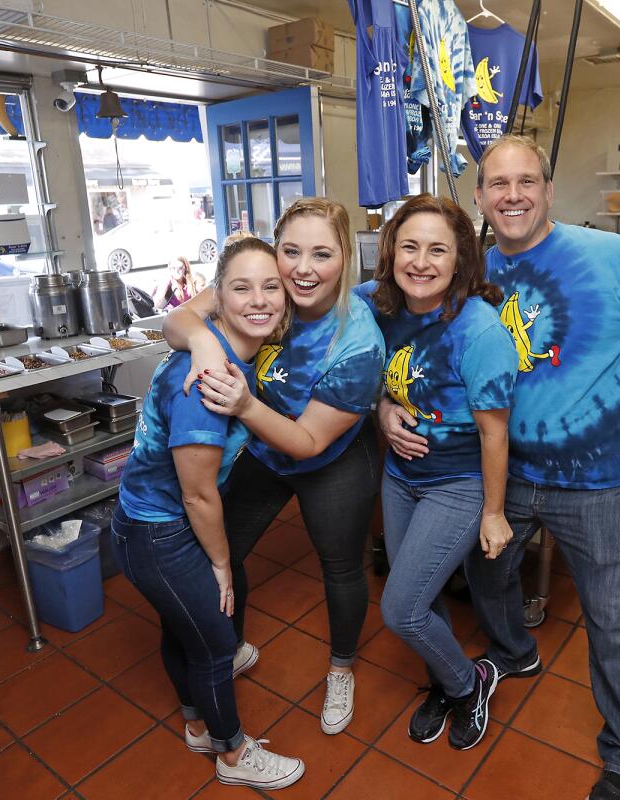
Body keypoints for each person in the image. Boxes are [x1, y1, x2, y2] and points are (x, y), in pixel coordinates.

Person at [380, 135, 620, 800]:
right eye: (497, 183)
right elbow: (416, 354)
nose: (512, 195)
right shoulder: (466, 273)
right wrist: (384, 408)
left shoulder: (613, 257)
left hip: (599, 482)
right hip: (499, 474)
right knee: (486, 577)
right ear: (479, 196)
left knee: (615, 619)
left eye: (526, 181)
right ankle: (512, 652)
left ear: (547, 188)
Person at [162, 198, 385, 736]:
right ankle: (230, 645)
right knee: (224, 551)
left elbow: (308, 441)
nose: (303, 269)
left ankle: (341, 667)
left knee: (342, 567)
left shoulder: (358, 343)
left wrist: (244, 406)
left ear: (345, 260)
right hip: (263, 455)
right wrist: (200, 342)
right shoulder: (263, 287)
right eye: (291, 251)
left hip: (330, 459)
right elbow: (178, 317)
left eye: (322, 254)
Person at [111, 236, 304, 790]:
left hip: (150, 523)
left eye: (272, 287)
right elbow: (198, 495)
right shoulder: (207, 381)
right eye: (242, 288)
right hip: (159, 531)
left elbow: (180, 322)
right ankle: (233, 755)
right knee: (219, 642)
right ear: (217, 297)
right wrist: (222, 563)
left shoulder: (220, 343)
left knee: (187, 627)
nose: (260, 300)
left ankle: (197, 724)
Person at [353, 194, 515, 750]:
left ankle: (472, 684)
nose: (421, 262)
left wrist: (493, 513)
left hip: (458, 484)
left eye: (438, 250)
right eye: (410, 246)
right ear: (390, 251)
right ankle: (447, 681)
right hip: (400, 479)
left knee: (399, 608)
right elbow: (309, 292)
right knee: (423, 597)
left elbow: (495, 431)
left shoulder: (479, 330)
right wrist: (380, 406)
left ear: (460, 261)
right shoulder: (376, 304)